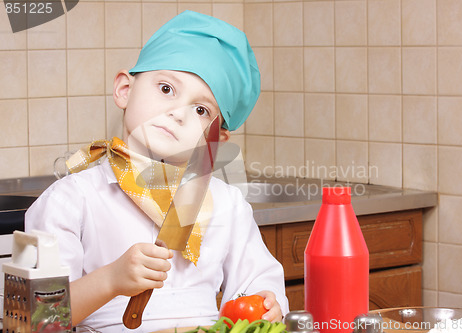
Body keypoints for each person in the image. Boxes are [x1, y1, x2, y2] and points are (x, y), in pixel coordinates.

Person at [25, 10, 289, 332]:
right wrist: (110, 280)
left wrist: (268, 303)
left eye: (201, 110)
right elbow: (39, 320)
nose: (178, 114)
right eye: (166, 89)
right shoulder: (70, 201)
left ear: (216, 138)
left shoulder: (228, 205)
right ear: (125, 89)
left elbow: (260, 288)